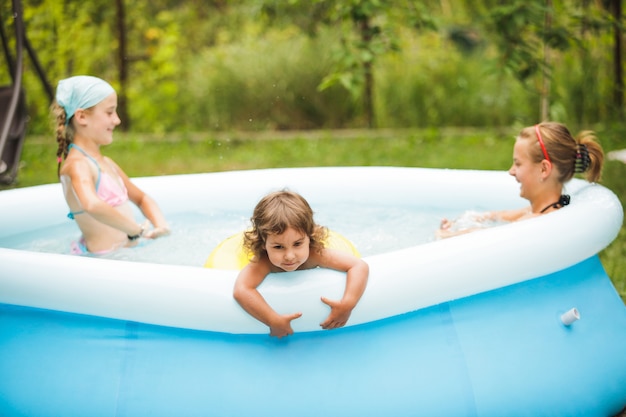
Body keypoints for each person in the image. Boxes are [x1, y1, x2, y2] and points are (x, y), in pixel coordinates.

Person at [52, 75, 170, 254]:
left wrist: (161, 226)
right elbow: (91, 204)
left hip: (125, 253)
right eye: (109, 112)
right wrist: (135, 230)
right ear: (82, 117)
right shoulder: (77, 165)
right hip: (104, 262)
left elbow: (142, 199)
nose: (117, 120)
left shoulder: (107, 164)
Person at [233, 190, 369, 338]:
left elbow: (358, 266)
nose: (289, 256)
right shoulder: (264, 263)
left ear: (309, 237)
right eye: (278, 247)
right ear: (264, 244)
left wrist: (348, 304)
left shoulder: (315, 254)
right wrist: (273, 320)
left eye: (297, 244)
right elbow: (242, 289)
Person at [437, 122, 604, 238]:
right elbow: (498, 215)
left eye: (518, 164)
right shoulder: (542, 210)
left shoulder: (538, 222)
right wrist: (467, 221)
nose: (511, 171)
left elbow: (488, 237)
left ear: (544, 169)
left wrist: (447, 236)